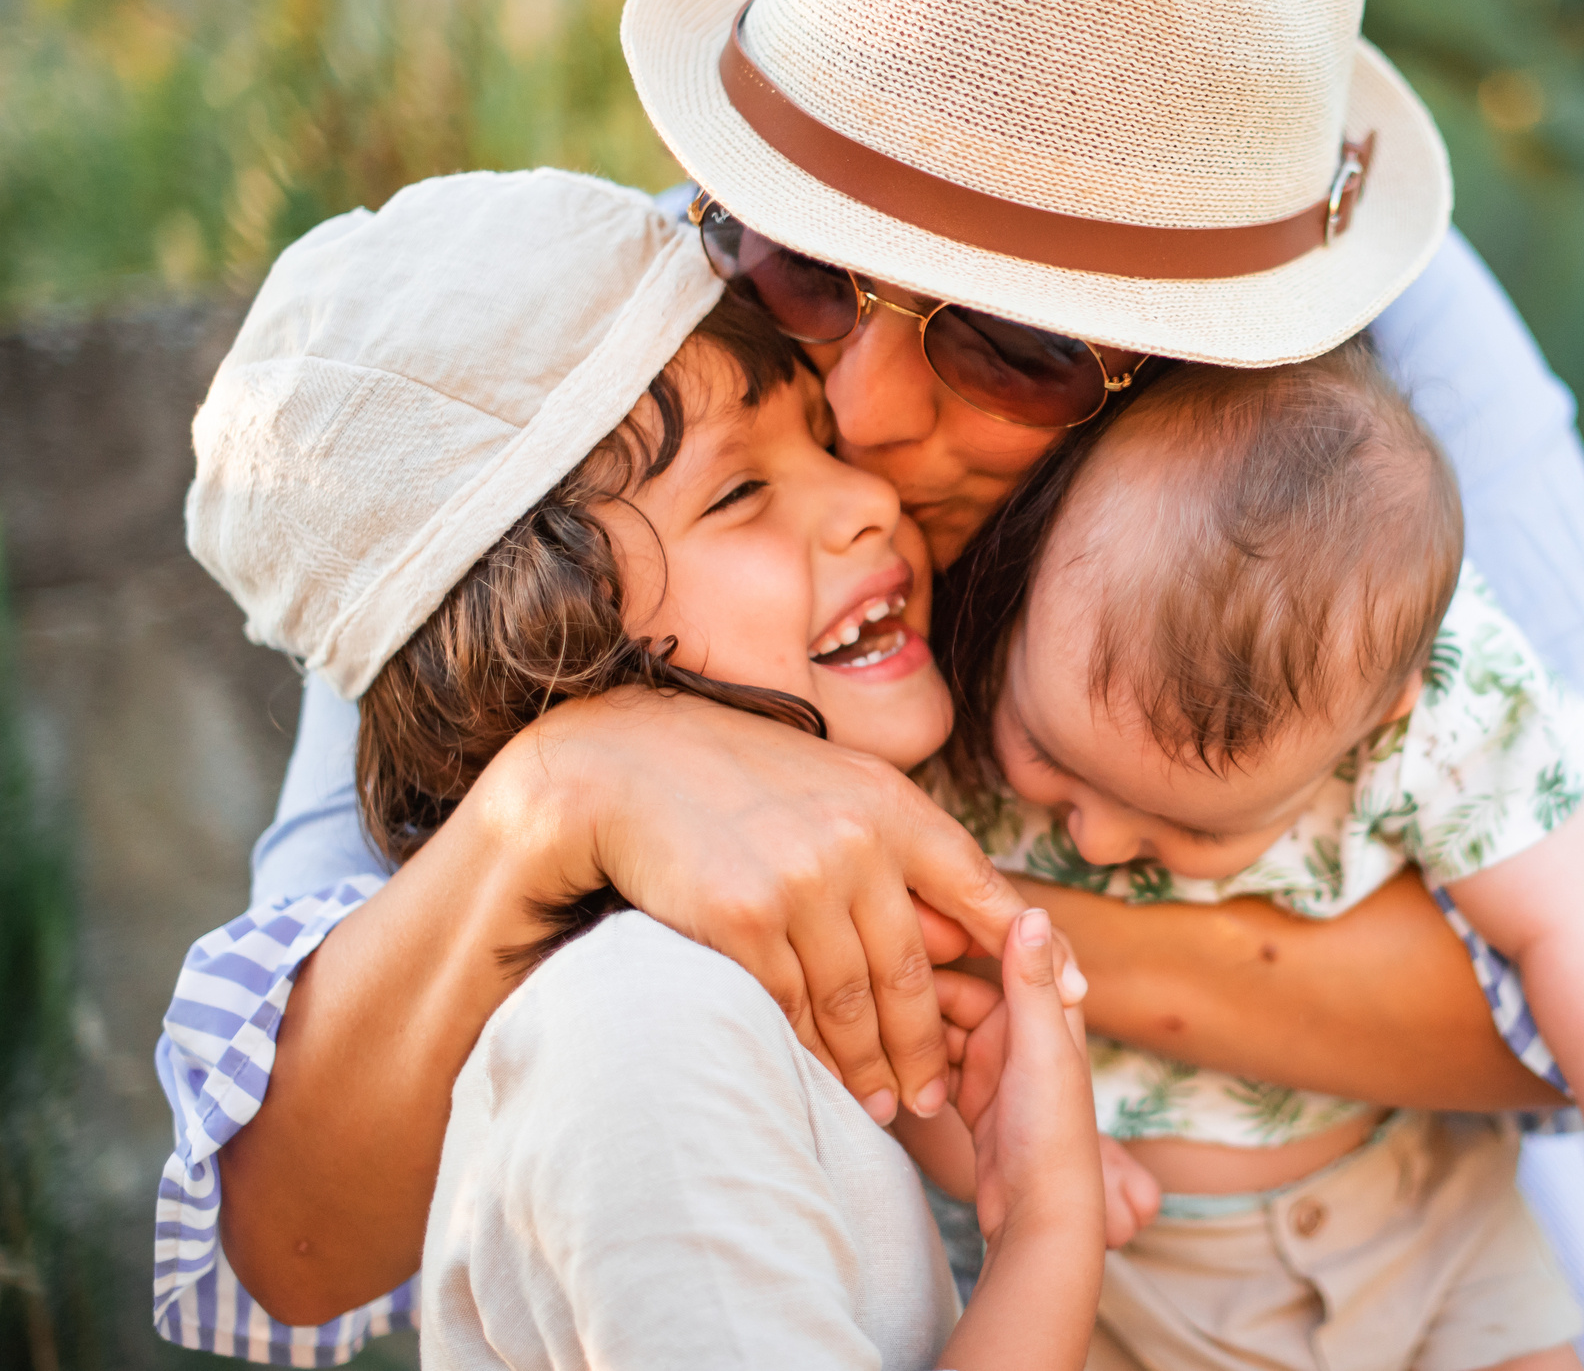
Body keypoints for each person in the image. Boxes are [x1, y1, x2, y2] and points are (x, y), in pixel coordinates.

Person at [153, 0, 1584, 1366]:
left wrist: (921, 899)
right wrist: (573, 794)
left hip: (1423, 1293)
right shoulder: (581, 389)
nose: (879, 412)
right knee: (629, 1011)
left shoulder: (1346, 387)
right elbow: (289, 1238)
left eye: (1019, 340)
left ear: (1225, 354)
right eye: (810, 266)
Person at [184, 166, 1108, 1369]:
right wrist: (1046, 1225)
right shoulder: (639, 1038)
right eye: (739, 492)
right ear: (551, 653)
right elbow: (283, 1229)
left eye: (818, 437)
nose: (868, 496)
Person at [910, 343, 1584, 1371]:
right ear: (1035, 556)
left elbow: (1580, 929)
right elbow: (910, 1024)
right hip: (1141, 1277)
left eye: (1193, 830)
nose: (1091, 838)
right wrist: (1012, 1162)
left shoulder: (1438, 710)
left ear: (1375, 723)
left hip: (1427, 1222)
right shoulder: (956, 670)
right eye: (1046, 754)